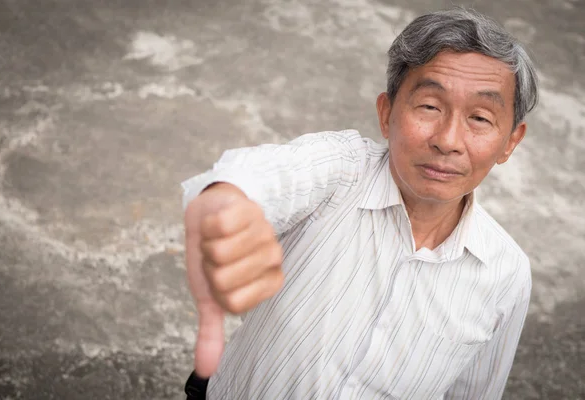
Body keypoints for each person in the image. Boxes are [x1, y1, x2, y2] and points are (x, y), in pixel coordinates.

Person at [181, 7, 538, 400]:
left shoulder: (506, 274)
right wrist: (228, 203)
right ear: (386, 114)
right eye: (430, 107)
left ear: (510, 142)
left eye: (481, 118)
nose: (448, 139)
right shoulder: (341, 172)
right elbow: (255, 179)